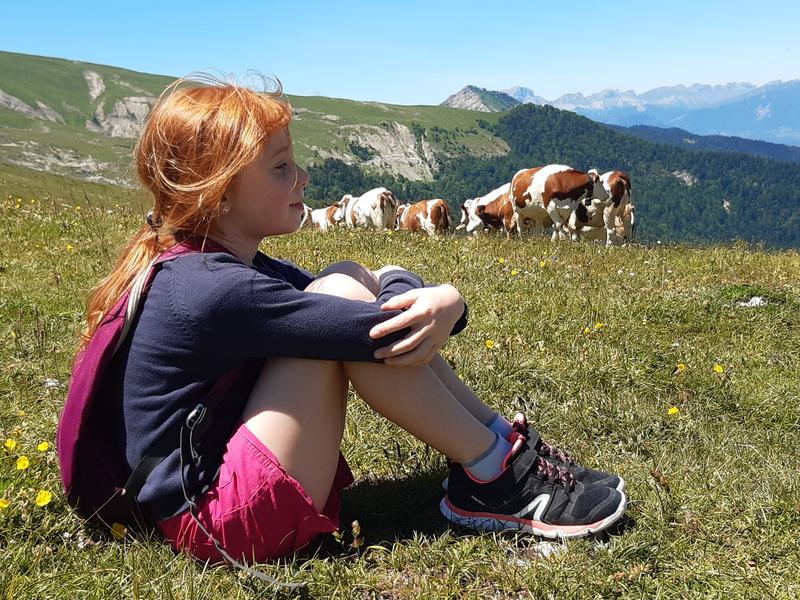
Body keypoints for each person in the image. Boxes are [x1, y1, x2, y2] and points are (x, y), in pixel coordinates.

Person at [79, 74, 627, 565]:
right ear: (219, 195)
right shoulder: (210, 288)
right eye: (281, 167)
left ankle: (500, 453)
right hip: (223, 523)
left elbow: (359, 293)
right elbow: (371, 332)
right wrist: (447, 300)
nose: (304, 177)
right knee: (345, 295)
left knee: (342, 275)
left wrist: (400, 282)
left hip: (212, 496)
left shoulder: (208, 263)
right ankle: (496, 473)